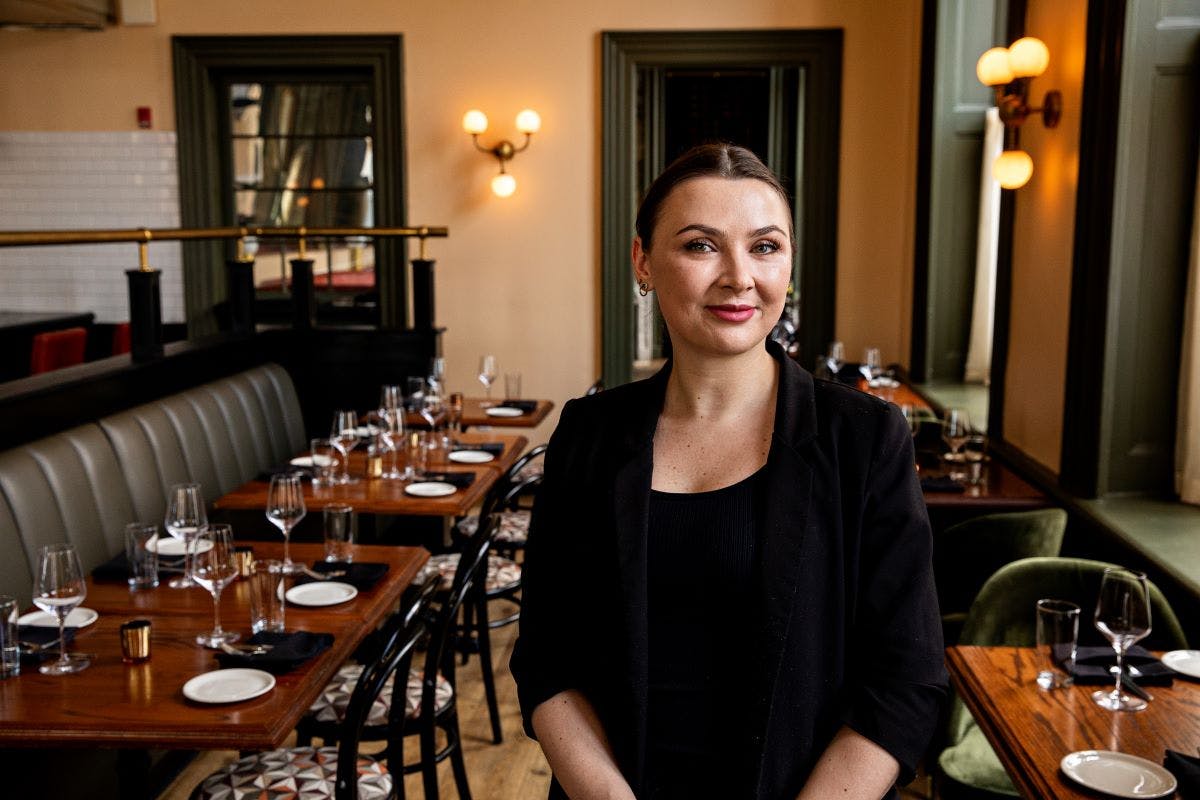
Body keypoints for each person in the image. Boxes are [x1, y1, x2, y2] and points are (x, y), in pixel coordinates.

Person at [511, 143, 946, 800]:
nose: (739, 276)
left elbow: (904, 682)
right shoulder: (588, 436)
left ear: (789, 263)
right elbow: (547, 657)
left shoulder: (864, 440)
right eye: (700, 246)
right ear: (643, 262)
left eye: (765, 246)